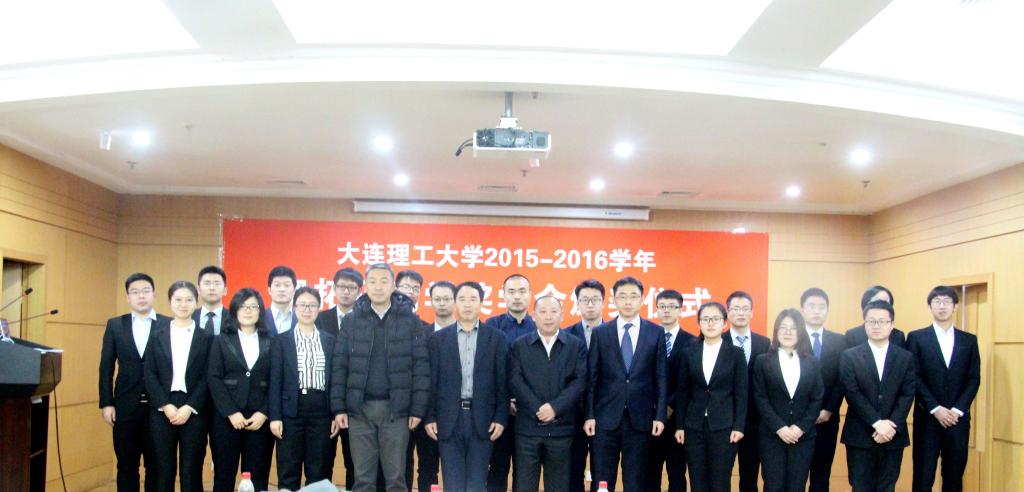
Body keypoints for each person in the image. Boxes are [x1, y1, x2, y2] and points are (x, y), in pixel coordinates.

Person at [330, 263, 430, 492]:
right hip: (360, 410)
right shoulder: (352, 320)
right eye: (373, 281)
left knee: (395, 478)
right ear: (365, 285)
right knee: (363, 479)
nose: (378, 286)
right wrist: (339, 408)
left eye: (384, 281)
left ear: (393, 285)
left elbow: (421, 366)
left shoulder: (410, 320)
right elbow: (340, 366)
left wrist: (417, 409)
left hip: (396, 411)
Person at [584, 276, 667, 492]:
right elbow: (592, 378)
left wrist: (659, 416)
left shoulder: (656, 332)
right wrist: (589, 415)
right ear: (613, 300)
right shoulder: (601, 332)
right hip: (605, 419)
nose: (628, 301)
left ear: (642, 299)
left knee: (636, 481)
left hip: (640, 420)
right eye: (622, 296)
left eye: (633, 296)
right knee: (602, 480)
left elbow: (661, 378)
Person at [424, 281, 508, 491]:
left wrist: (500, 417)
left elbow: (502, 381)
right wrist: (430, 416)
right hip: (448, 419)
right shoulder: (437, 340)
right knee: (452, 483)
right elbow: (431, 382)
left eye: (473, 299)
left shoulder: (497, 338)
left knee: (477, 483)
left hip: (483, 420)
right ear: (455, 303)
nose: (467, 304)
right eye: (462, 299)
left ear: (481, 303)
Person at [510, 296, 587, 492]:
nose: (548, 316)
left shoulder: (575, 345)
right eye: (542, 312)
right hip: (528, 429)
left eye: (553, 311)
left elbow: (579, 382)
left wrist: (555, 408)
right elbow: (515, 380)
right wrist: (538, 408)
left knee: (558, 487)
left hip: (562, 429)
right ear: (533, 316)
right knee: (524, 486)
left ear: (562, 315)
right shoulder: (520, 345)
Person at [99, 272, 168, 492]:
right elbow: (106, 367)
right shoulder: (115, 325)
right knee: (126, 466)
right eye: (135, 292)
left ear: (154, 294)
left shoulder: (168, 324)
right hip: (125, 405)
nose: (141, 296)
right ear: (128, 297)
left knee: (156, 466)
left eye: (146, 291)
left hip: (159, 407)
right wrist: (107, 403)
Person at [907, 286, 981, 492]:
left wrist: (957, 410)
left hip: (958, 421)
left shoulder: (969, 340)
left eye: (947, 301)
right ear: (930, 307)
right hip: (927, 418)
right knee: (923, 478)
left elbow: (974, 379)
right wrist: (936, 408)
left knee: (954, 478)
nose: (942, 306)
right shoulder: (916, 337)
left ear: (955, 306)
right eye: (937, 301)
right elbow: (914, 377)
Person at [840, 300, 917, 492]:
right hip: (860, 435)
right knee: (860, 487)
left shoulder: (905, 357)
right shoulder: (850, 356)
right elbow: (852, 393)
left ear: (891, 325)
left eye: (882, 321)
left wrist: (890, 425)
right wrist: (877, 423)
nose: (876, 326)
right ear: (865, 324)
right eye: (871, 321)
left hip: (893, 435)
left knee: (887, 487)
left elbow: (907, 394)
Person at [144, 281, 213, 492]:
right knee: (162, 469)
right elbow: (149, 374)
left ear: (196, 302)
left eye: (189, 300)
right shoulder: (156, 335)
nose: (183, 304)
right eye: (178, 299)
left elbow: (208, 376)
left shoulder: (206, 337)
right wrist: (165, 405)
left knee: (191, 470)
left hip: (194, 408)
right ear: (170, 302)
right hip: (162, 408)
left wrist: (189, 407)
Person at [269, 286, 338, 491]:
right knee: (288, 468)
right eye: (302, 305)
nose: (307, 310)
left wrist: (336, 413)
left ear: (318, 309)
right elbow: (275, 381)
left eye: (312, 305)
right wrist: (275, 417)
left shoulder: (330, 341)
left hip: (322, 411)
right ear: (294, 307)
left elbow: (335, 380)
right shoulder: (282, 341)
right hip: (291, 411)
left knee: (319, 469)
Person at [674, 302, 747, 492]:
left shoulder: (736, 354)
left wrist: (739, 426)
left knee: (720, 481)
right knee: (697, 480)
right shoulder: (689, 352)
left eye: (715, 319)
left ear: (725, 323)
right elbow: (683, 392)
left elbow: (741, 394)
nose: (710, 323)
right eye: (705, 319)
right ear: (699, 324)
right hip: (693, 426)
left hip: (724, 427)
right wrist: (679, 425)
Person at [207, 289, 274, 492]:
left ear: (260, 311)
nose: (248, 311)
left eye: (253, 306)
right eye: (243, 306)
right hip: (227, 418)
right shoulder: (221, 340)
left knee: (258, 476)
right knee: (224, 475)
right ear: (234, 310)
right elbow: (214, 378)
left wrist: (264, 412)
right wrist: (231, 412)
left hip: (259, 418)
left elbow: (276, 380)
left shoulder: (271, 340)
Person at [752, 309, 823, 492]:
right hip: (772, 435)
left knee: (797, 486)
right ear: (776, 331)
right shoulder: (763, 361)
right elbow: (760, 397)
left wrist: (801, 427)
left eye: (793, 328)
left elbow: (816, 398)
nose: (788, 332)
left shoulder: (812, 362)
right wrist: (779, 427)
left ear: (801, 332)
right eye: (783, 327)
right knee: (773, 485)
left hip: (803, 437)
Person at [486, 273, 536, 492]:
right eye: (511, 292)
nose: (517, 297)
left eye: (522, 291)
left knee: (525, 471)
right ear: (503, 295)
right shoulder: (492, 326)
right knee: (497, 468)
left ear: (530, 294)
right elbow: (487, 370)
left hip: (531, 412)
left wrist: (527, 401)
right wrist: (504, 402)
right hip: (499, 412)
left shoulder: (539, 326)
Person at [316, 267, 363, 490]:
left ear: (359, 291)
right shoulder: (319, 319)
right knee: (322, 462)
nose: (346, 292)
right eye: (342, 287)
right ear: (333, 289)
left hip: (356, 405)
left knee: (355, 463)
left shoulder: (366, 321)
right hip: (324, 403)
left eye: (351, 288)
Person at [645, 289, 695, 492]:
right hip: (649, 417)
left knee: (677, 472)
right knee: (650, 472)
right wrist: (657, 406)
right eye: (662, 306)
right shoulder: (646, 339)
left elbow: (690, 382)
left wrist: (670, 405)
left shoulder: (693, 342)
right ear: (656, 309)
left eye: (672, 307)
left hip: (678, 420)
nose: (666, 311)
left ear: (681, 310)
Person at [723, 291, 770, 492]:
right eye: (735, 309)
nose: (740, 313)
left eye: (745, 309)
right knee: (721, 474)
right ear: (727, 312)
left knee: (749, 474)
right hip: (725, 418)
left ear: (752, 313)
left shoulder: (764, 343)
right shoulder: (718, 340)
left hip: (755, 420)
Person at [800, 288, 846, 492]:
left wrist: (829, 409)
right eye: (811, 306)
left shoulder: (840, 341)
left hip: (827, 420)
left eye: (821, 307)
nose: (816, 311)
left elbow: (842, 379)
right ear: (802, 309)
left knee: (821, 475)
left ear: (827, 310)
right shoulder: (792, 339)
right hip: (798, 420)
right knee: (796, 475)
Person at [562, 279, 605, 492]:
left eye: (595, 299)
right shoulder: (565, 335)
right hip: (572, 412)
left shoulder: (615, 334)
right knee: (573, 470)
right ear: (577, 303)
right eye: (584, 300)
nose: (590, 304)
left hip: (605, 412)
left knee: (603, 471)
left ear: (603, 302)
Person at [193, 265, 227, 335]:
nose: (212, 288)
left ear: (225, 290)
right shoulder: (190, 317)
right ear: (198, 290)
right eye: (207, 283)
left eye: (217, 284)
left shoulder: (234, 318)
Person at [266, 265, 298, 335]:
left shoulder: (302, 318)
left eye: (287, 285)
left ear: (294, 290)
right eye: (277, 285)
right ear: (269, 290)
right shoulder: (259, 318)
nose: (282, 289)